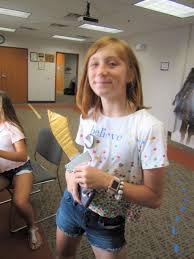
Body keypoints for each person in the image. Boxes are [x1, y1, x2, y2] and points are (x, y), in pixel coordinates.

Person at [56, 36, 169, 259]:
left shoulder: (149, 127)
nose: (101, 71)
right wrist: (70, 173)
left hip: (106, 219)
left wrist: (107, 181)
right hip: (72, 202)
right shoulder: (88, 116)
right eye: (94, 63)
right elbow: (83, 157)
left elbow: (154, 198)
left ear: (130, 74)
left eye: (112, 63)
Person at [0, 91, 42, 250]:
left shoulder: (12, 128)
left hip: (20, 169)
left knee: (20, 202)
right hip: (3, 172)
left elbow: (22, 156)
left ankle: (32, 228)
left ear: (3, 108)